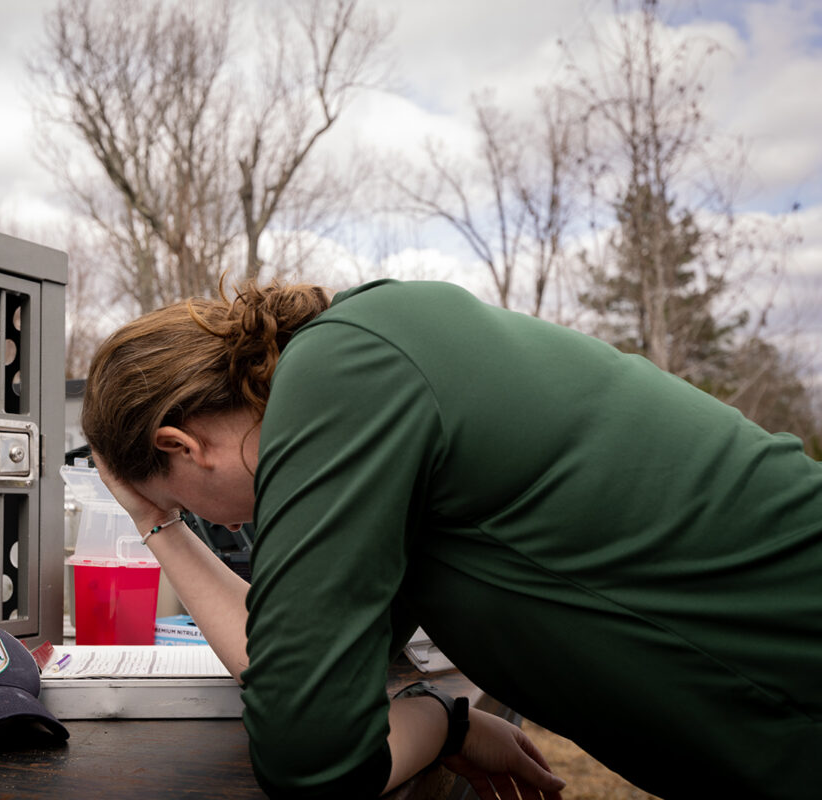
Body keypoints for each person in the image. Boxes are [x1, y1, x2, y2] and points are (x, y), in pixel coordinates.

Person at [80, 278, 822, 799]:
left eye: (194, 505)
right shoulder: (368, 362)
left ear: (182, 445)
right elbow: (293, 666)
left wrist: (440, 719)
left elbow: (312, 758)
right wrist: (158, 521)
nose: (233, 527)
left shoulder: (342, 373)